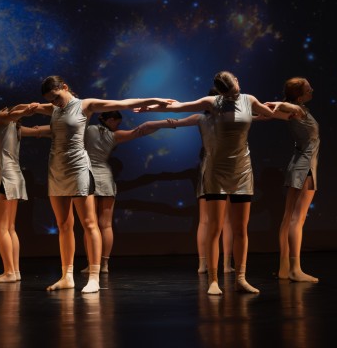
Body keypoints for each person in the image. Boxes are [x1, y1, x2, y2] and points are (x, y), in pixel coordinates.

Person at [136, 71, 304, 295]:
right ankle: (213, 280)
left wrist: (290, 109)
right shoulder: (211, 103)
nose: (235, 90)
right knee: (215, 227)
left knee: (240, 228)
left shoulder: (249, 100)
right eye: (230, 89)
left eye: (235, 86)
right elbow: (179, 108)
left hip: (242, 170)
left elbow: (274, 114)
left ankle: (241, 278)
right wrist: (150, 109)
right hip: (216, 171)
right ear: (225, 90)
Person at [34, 75, 173, 293]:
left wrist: (153, 100)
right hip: (56, 170)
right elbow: (31, 109)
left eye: (56, 97)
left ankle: (94, 277)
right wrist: (15, 113)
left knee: (90, 223)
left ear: (65, 87)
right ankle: (67, 276)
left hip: (78, 169)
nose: (55, 102)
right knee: (63, 225)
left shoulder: (85, 105)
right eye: (50, 100)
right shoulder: (54, 109)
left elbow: (121, 103)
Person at [136, 100, 236, 275]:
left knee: (205, 220)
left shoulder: (202, 118)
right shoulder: (227, 117)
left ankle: (204, 264)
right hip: (224, 168)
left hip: (210, 168)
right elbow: (256, 116)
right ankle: (225, 265)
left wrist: (153, 122)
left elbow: (175, 122)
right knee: (225, 220)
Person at [80, 110, 166, 274]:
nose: (118, 126)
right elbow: (140, 131)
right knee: (106, 225)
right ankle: (104, 265)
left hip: (87, 177)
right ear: (110, 120)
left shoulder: (87, 130)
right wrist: (163, 123)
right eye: (117, 123)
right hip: (104, 178)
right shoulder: (114, 136)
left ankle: (92, 264)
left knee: (89, 224)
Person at [0, 103, 51, 283]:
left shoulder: (1, 120)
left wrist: (26, 111)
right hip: (15, 176)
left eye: (8, 109)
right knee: (10, 228)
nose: (4, 109)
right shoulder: (15, 128)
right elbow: (40, 131)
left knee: (1, 228)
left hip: (5, 176)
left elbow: (8, 116)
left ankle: (9, 272)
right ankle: (14, 271)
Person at [267, 77, 320, 283]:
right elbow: (289, 107)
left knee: (289, 217)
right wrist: (279, 104)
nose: (312, 89)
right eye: (308, 88)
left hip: (297, 165)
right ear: (299, 96)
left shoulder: (295, 112)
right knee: (297, 219)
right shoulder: (298, 110)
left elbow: (276, 112)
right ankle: (295, 269)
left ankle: (284, 267)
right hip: (305, 168)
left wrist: (271, 107)